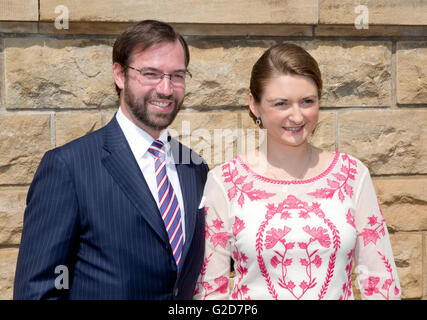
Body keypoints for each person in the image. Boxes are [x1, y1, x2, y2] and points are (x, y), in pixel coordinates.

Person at [14, 20, 208, 300]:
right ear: (119, 75)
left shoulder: (195, 168)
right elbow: (37, 291)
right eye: (151, 73)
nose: (166, 89)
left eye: (177, 76)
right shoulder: (69, 167)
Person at [194, 43, 401, 300]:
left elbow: (381, 284)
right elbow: (209, 292)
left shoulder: (352, 175)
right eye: (281, 103)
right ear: (254, 105)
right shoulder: (224, 182)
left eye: (307, 101)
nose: (296, 116)